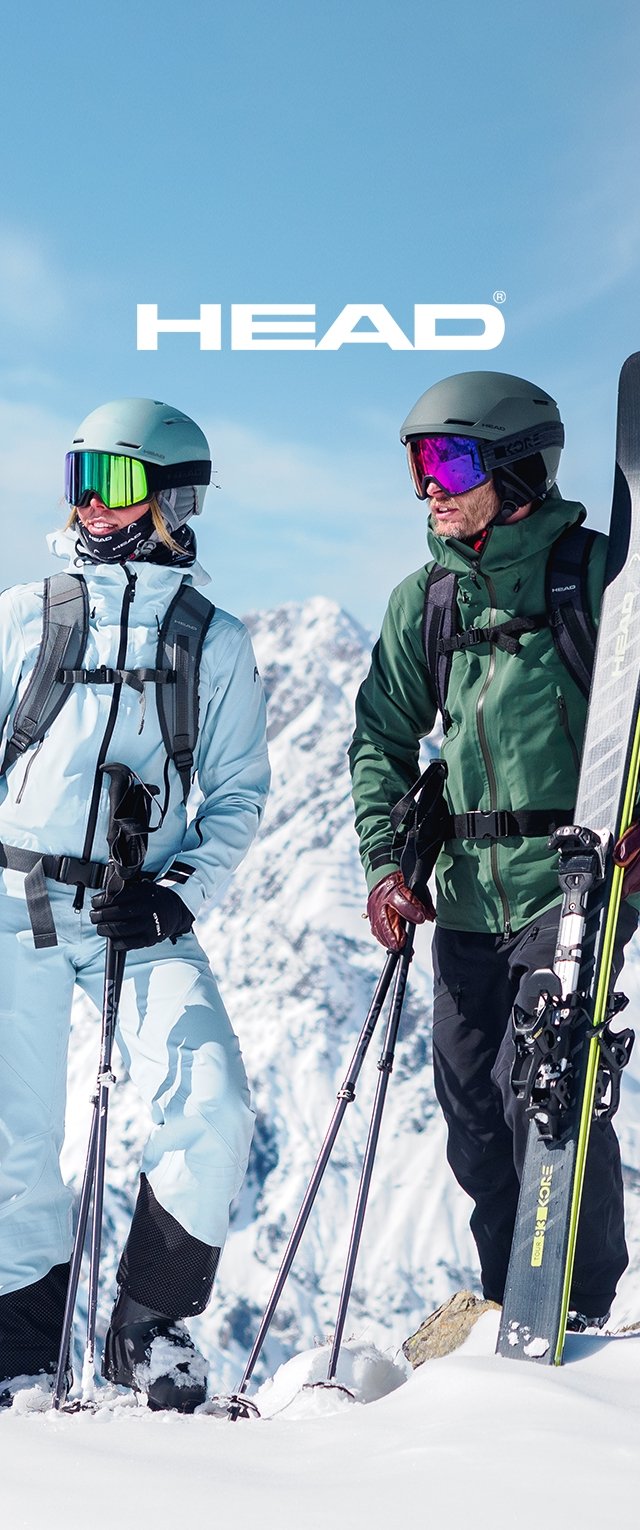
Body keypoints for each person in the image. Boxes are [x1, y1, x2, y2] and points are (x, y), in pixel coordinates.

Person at [349, 370, 639, 1331]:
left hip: (578, 881)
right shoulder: (425, 602)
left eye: (447, 459)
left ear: (515, 466)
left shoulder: (599, 577)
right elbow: (381, 739)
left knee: (552, 1097)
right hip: (466, 895)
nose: (427, 485)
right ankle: (519, 1314)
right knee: (475, 1122)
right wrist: (389, 866)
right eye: (416, 465)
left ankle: (583, 1311)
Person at [0, 397, 269, 1409]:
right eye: (77, 481)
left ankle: (146, 1333)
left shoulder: (213, 641)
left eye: (110, 484)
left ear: (169, 496)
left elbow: (237, 793)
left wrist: (179, 894)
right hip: (18, 899)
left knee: (213, 1099)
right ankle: (17, 1354)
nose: (89, 507)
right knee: (14, 1137)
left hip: (135, 912)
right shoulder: (29, 617)